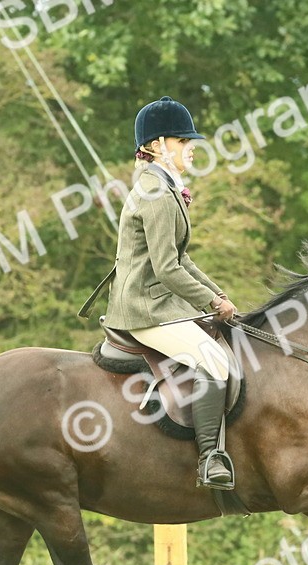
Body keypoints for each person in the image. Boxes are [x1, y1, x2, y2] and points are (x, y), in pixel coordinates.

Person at [102, 96, 240, 489]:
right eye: (184, 141)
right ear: (159, 144)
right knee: (214, 361)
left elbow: (184, 259)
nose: (192, 147)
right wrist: (211, 303)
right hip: (145, 308)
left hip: (160, 301)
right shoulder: (157, 195)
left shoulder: (162, 187)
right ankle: (211, 457)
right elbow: (166, 268)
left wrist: (222, 297)